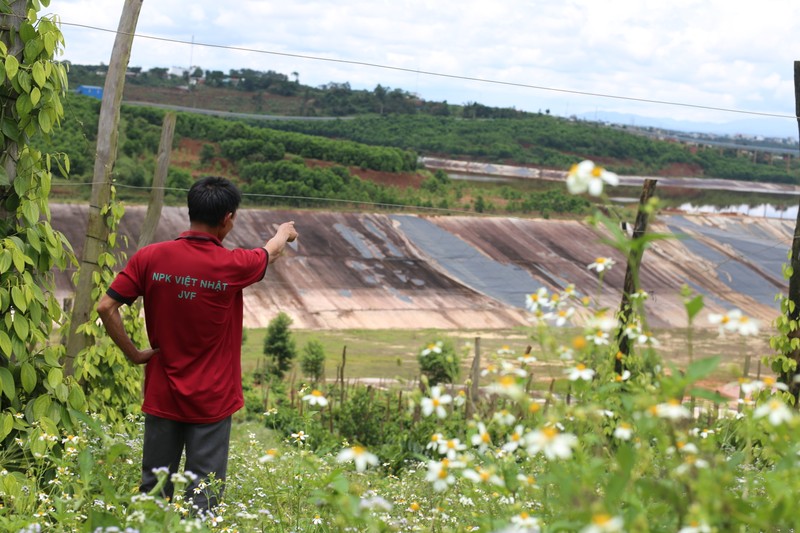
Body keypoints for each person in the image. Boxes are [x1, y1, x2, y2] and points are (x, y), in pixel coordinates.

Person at [97, 176, 297, 512]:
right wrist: (284, 231)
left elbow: (106, 306)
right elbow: (271, 252)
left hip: (162, 392)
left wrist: (134, 355)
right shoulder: (233, 265)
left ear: (191, 210)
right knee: (203, 496)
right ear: (227, 219)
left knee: (154, 490)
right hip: (212, 399)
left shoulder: (150, 257)